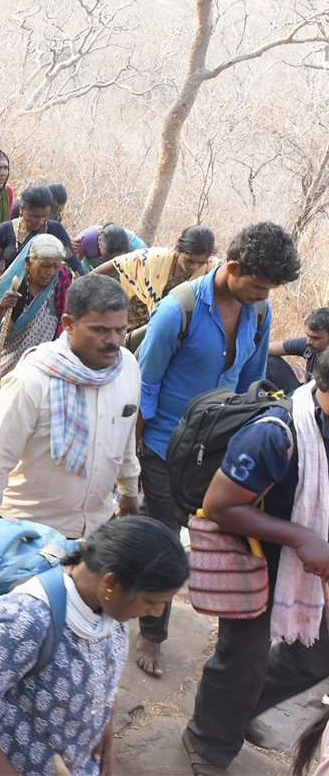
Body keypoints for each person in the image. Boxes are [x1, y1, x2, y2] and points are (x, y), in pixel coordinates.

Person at [135, 221, 300, 678]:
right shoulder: (178, 310)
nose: (264, 296)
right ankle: (152, 632)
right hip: (165, 445)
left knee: (220, 538)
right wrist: (137, 449)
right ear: (232, 268)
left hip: (217, 447)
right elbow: (146, 383)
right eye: (258, 286)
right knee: (165, 537)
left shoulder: (259, 314)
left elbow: (251, 383)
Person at [0, 517, 189, 776]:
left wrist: (104, 727)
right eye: (151, 602)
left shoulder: (111, 610)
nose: (156, 613)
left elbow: (103, 674)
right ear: (110, 583)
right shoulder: (27, 619)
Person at [182, 351, 329, 774]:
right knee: (242, 657)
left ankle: (239, 708)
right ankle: (207, 738)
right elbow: (220, 504)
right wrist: (302, 537)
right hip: (256, 555)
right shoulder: (274, 434)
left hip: (311, 556)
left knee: (318, 655)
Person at [0, 274, 141, 539]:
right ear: (69, 324)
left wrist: (128, 490)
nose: (114, 341)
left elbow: (125, 436)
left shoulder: (127, 366)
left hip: (96, 526)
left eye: (120, 330)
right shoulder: (32, 379)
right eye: (100, 330)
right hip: (29, 531)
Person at [0, 233, 71, 409]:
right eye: (45, 266)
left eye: (56, 266)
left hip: (42, 364)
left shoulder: (61, 283)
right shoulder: (14, 285)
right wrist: (0, 306)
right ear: (28, 263)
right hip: (7, 360)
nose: (51, 272)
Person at [91, 224, 216, 329]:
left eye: (201, 262)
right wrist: (84, 283)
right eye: (189, 260)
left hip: (170, 328)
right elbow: (117, 263)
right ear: (179, 249)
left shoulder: (210, 270)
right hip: (129, 320)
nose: (194, 267)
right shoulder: (155, 259)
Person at [0, 184, 82, 283]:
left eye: (44, 216)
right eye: (35, 216)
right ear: (21, 209)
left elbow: (74, 263)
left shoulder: (55, 230)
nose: (40, 221)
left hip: (44, 296)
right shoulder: (5, 230)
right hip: (9, 291)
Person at [269, 307, 329, 386]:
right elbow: (266, 349)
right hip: (304, 394)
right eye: (308, 336)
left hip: (321, 396)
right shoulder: (308, 344)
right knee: (271, 361)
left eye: (316, 338)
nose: (308, 342)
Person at [76, 222, 145, 270]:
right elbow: (74, 264)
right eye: (106, 257)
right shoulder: (86, 239)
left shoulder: (138, 250)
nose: (110, 262)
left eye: (116, 258)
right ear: (99, 241)